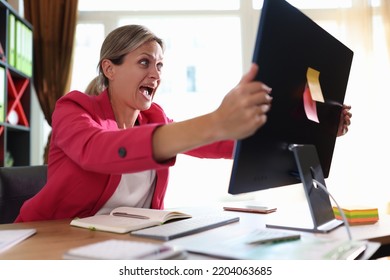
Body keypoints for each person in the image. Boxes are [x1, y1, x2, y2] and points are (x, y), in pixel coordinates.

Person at [15, 25, 351, 222]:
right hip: (47, 241)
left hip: (124, 247)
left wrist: (313, 130)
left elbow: (222, 143)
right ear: (109, 69)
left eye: (160, 65)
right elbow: (95, 150)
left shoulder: (156, 118)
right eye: (144, 62)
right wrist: (215, 121)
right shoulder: (73, 108)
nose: (155, 74)